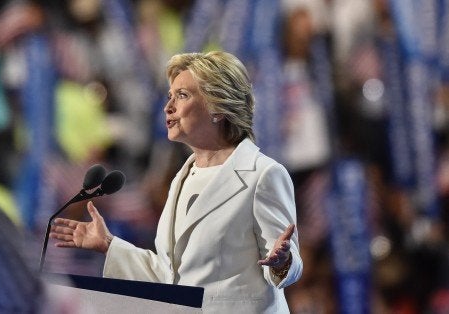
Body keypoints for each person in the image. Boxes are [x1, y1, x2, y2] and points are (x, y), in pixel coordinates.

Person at [50, 51, 302, 313]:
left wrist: (282, 262)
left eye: (182, 95)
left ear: (217, 107)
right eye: (170, 95)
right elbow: (170, 276)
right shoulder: (182, 178)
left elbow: (290, 265)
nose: (168, 106)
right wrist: (109, 245)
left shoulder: (263, 174)